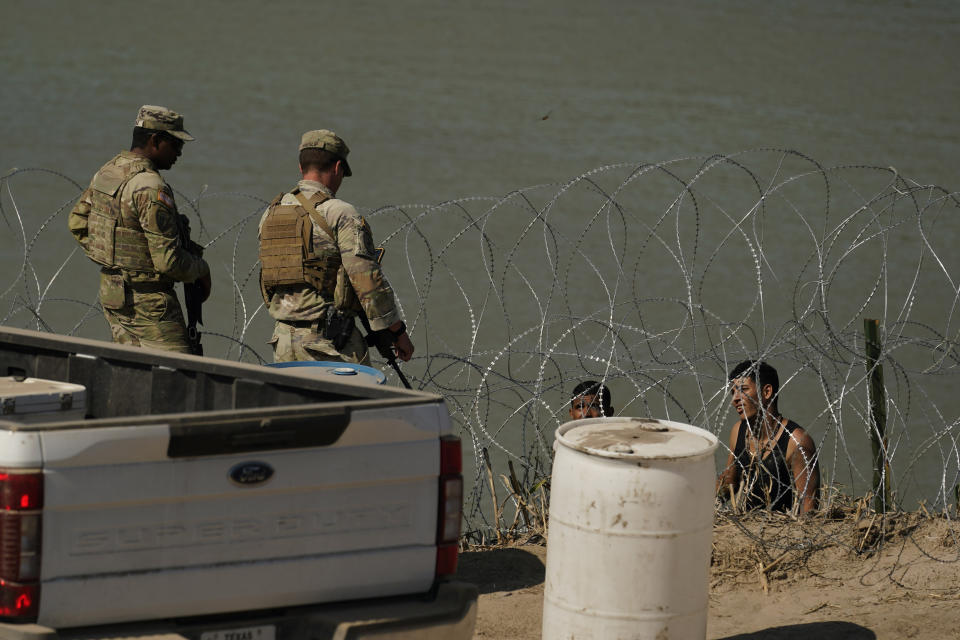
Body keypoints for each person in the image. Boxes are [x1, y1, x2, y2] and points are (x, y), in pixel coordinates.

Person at [258, 129, 412, 365]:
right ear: (338, 167)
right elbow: (366, 281)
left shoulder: (271, 213)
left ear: (302, 168)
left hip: (283, 342)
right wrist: (397, 331)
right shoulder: (340, 213)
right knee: (354, 402)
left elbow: (268, 281)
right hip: (329, 342)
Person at [68, 105, 211, 353]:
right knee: (178, 377)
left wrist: (113, 259)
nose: (179, 152)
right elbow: (168, 262)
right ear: (155, 140)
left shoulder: (108, 171)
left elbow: (78, 223)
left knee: (131, 372)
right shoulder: (150, 187)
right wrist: (201, 269)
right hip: (151, 304)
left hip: (114, 295)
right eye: (175, 144)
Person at [716, 360, 820, 514]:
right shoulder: (738, 431)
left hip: (783, 530)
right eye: (733, 392)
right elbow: (730, 483)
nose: (735, 399)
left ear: (767, 392)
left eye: (743, 390)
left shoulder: (795, 441)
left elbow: (808, 507)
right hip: (748, 525)